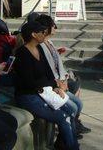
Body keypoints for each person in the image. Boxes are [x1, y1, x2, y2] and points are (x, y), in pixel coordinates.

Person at [14, 21, 79, 150]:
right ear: (33, 34)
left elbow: (48, 72)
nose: (45, 34)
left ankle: (66, 144)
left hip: (43, 91)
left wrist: (56, 86)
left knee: (71, 110)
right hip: (28, 96)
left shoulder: (39, 48)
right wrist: (52, 85)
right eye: (42, 32)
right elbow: (29, 81)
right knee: (63, 116)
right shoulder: (22, 53)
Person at [36, 14, 91, 135]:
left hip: (59, 81)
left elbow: (55, 63)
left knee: (78, 101)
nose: (55, 28)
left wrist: (64, 78)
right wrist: (58, 84)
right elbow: (46, 69)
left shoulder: (48, 42)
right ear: (46, 28)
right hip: (52, 85)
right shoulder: (39, 46)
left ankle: (73, 126)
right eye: (53, 25)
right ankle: (69, 133)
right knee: (74, 106)